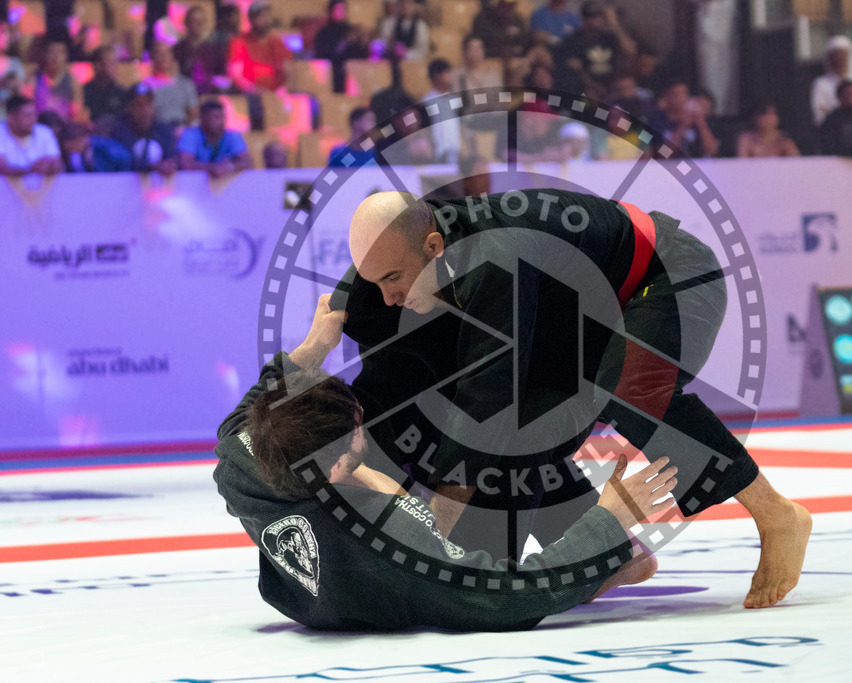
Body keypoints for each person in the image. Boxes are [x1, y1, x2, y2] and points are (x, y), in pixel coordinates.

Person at [346, 190, 813, 610]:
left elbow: (487, 398)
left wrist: (436, 530)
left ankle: (776, 514)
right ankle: (611, 558)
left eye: (393, 278)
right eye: (375, 282)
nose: (388, 297)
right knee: (517, 424)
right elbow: (376, 351)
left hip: (669, 275)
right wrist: (312, 356)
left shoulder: (495, 257)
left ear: (433, 246)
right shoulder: (394, 255)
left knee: (627, 389)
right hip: (584, 319)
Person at [214, 293, 673, 632]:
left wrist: (314, 347)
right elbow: (513, 595)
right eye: (357, 431)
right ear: (336, 470)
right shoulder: (397, 541)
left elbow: (250, 413)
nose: (364, 427)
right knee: (515, 431)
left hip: (321, 576)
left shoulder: (242, 462)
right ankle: (609, 564)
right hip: (390, 578)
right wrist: (607, 521)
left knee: (413, 392)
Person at [555, 0, 636, 99]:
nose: (594, 21)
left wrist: (614, 25)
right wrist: (593, 85)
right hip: (587, 89)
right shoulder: (574, 40)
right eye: (591, 17)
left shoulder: (609, 37)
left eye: (598, 16)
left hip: (612, 86)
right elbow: (575, 68)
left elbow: (630, 51)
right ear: (583, 19)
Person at [108, 82, 178, 174]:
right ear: (129, 107)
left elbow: (171, 158)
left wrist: (169, 165)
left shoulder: (164, 129)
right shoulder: (119, 130)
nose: (144, 110)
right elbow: (123, 161)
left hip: (160, 186)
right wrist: (152, 167)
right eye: (138, 105)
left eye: (148, 104)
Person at [227, 2, 292, 95]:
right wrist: (255, 90)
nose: (264, 19)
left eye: (266, 15)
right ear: (250, 18)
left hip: (276, 95)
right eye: (259, 15)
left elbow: (287, 72)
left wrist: (281, 91)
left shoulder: (278, 42)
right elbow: (236, 75)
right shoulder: (238, 41)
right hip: (248, 94)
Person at [178, 99, 252, 176]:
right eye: (216, 117)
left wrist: (229, 167)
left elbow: (248, 163)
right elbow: (186, 165)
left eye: (222, 117)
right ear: (203, 119)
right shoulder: (190, 135)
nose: (221, 121)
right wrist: (212, 168)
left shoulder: (232, 135)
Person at [810, 35, 852, 127]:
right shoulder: (820, 84)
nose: (839, 59)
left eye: (843, 55)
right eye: (835, 55)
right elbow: (819, 115)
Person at [648, 81, 719, 158]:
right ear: (666, 97)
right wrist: (682, 127)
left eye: (684, 94)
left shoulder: (697, 120)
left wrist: (700, 121)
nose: (680, 99)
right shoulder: (657, 121)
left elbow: (712, 151)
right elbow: (663, 154)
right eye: (675, 94)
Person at [314, 0, 371, 93]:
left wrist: (363, 44)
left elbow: (360, 57)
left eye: (344, 9)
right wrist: (344, 43)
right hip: (332, 76)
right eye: (338, 9)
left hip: (354, 75)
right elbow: (322, 57)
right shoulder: (323, 34)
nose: (342, 12)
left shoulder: (352, 31)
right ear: (331, 11)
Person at [0, 94, 62, 176]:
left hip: (44, 188)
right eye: (27, 116)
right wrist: (30, 170)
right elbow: (1, 167)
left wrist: (51, 167)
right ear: (11, 117)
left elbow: (57, 163)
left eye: (34, 115)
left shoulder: (44, 132)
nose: (33, 120)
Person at [146, 41, 199, 129]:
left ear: (172, 56)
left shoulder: (186, 84)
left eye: (167, 53)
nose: (163, 57)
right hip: (158, 131)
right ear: (152, 56)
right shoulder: (146, 86)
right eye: (159, 53)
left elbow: (194, 116)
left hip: (182, 130)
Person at [196, 2, 241, 93]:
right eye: (231, 15)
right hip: (217, 79)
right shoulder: (215, 39)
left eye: (236, 15)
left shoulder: (241, 38)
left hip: (235, 79)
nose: (235, 18)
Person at [422, 59, 459, 164]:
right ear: (436, 76)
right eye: (447, 73)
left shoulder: (455, 101)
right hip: (436, 152)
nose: (451, 77)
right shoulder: (427, 102)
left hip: (455, 150)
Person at [83, 46, 127, 134]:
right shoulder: (84, 91)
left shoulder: (121, 92)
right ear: (97, 65)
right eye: (110, 62)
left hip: (117, 138)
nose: (115, 66)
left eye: (115, 62)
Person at [34, 40, 81, 122]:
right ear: (45, 55)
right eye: (52, 52)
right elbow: (27, 109)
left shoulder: (73, 82)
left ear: (65, 56)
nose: (56, 56)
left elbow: (76, 112)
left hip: (63, 127)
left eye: (60, 52)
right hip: (39, 125)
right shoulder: (33, 79)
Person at [173, 5, 209, 88]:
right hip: (183, 91)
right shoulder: (178, 49)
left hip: (208, 93)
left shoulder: (213, 50)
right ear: (187, 23)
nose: (199, 24)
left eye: (201, 21)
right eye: (195, 21)